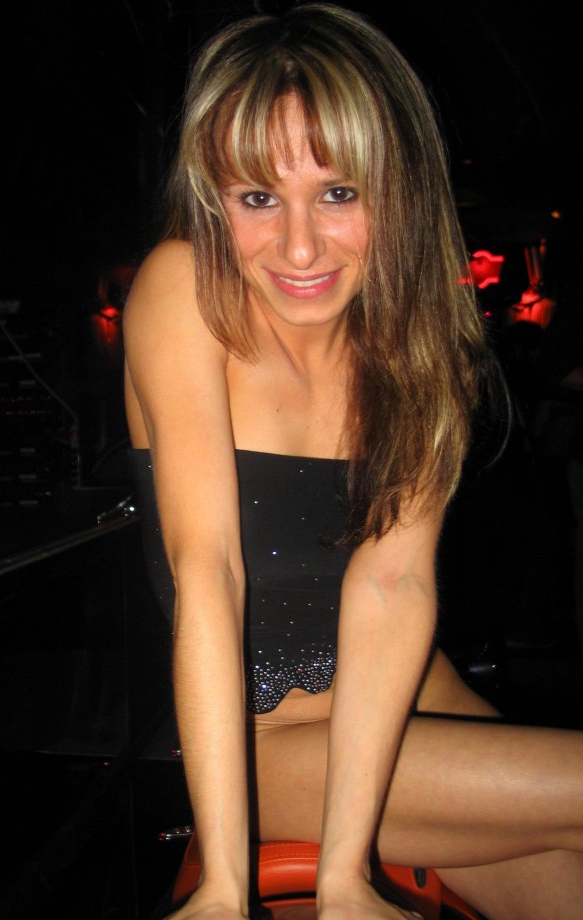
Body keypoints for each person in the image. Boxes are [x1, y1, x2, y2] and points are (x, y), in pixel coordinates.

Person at [122, 5, 583, 918]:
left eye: (339, 193)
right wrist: (224, 887)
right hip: (270, 747)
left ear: (398, 189)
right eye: (258, 198)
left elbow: (393, 583)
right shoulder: (186, 288)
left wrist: (346, 876)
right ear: (214, 197)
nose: (299, 247)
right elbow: (207, 570)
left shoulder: (422, 346)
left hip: (416, 714)